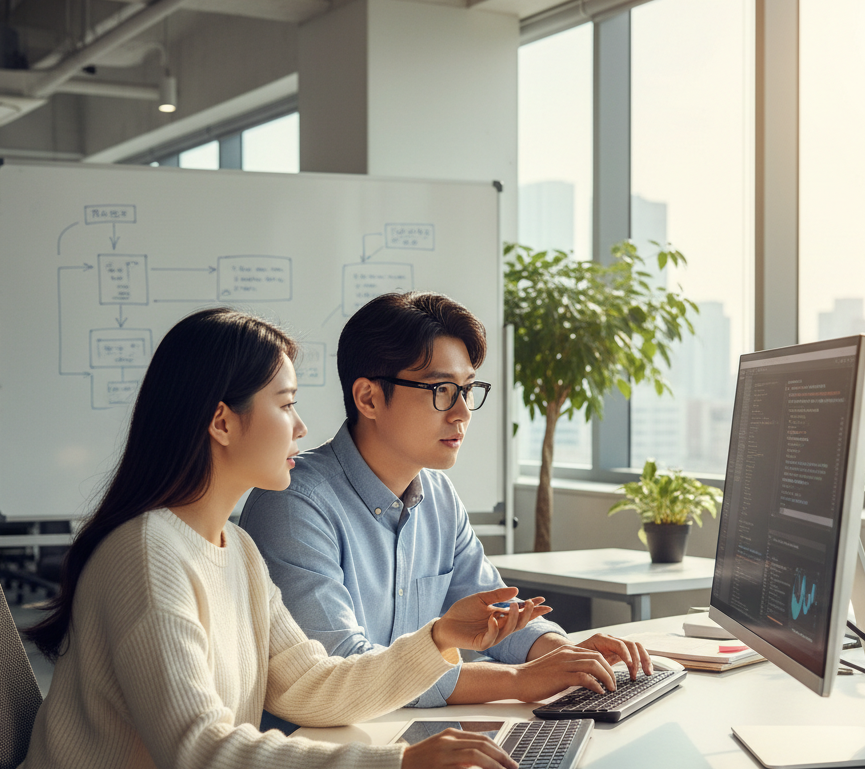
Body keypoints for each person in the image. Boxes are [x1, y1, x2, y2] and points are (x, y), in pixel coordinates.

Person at [0, 307, 548, 769]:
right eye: (285, 404)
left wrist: (435, 640)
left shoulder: (237, 551)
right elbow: (199, 757)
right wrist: (397, 766)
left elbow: (314, 686)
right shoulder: (147, 556)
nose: (304, 426)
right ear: (222, 421)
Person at [240, 292, 651, 710]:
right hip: (328, 752)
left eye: (468, 390)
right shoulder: (293, 504)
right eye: (441, 389)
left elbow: (498, 610)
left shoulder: (438, 496)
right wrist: (518, 681)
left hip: (409, 738)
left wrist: (563, 653)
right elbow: (342, 667)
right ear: (368, 398)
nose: (462, 412)